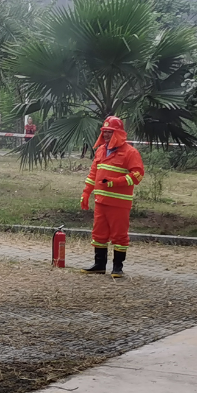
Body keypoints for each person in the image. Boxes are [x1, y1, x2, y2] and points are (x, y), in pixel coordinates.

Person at [80, 116, 144, 278]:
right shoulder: (101, 150)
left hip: (119, 204)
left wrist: (115, 182)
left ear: (119, 133)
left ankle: (117, 267)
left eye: (110, 132)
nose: (106, 135)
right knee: (99, 234)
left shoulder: (130, 152)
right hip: (101, 202)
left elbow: (137, 175)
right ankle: (99, 265)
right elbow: (93, 174)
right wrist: (86, 192)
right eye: (104, 131)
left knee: (119, 235)